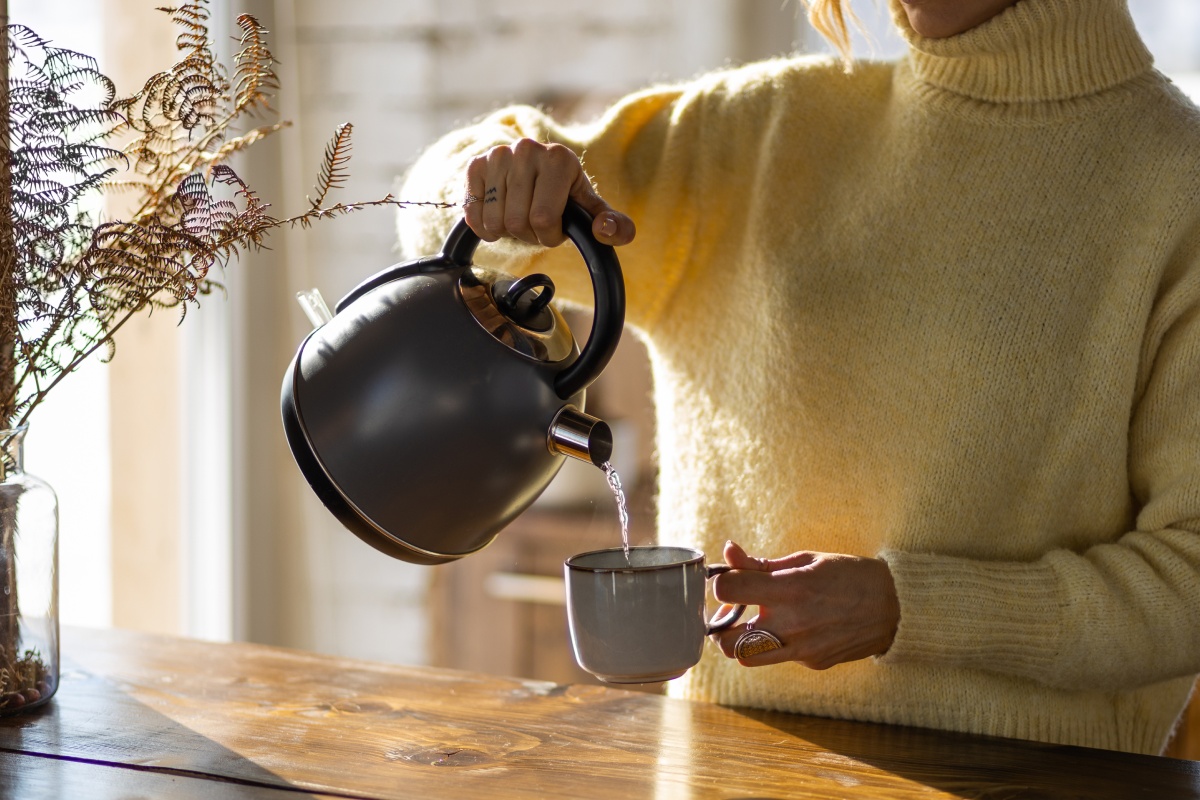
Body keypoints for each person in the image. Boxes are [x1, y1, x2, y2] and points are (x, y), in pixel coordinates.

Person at [396, 0, 1200, 755]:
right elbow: (437, 209)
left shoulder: (1175, 184)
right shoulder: (761, 131)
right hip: (724, 771)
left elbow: (1189, 579)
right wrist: (490, 177)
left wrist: (912, 610)